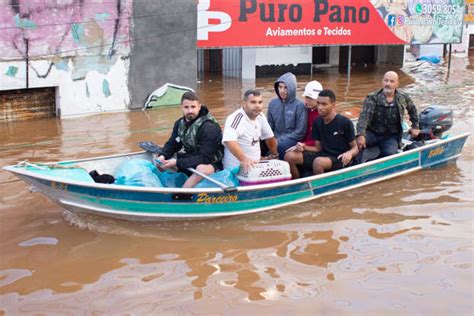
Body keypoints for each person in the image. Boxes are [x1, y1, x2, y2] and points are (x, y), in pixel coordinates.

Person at [284, 89, 358, 178]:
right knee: (289, 156)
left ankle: (319, 188)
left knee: (318, 162)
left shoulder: (345, 123)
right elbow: (317, 148)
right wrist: (303, 146)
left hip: (339, 158)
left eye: (324, 104)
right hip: (322, 154)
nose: (320, 107)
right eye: (318, 103)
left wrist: (349, 153)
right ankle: (297, 185)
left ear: (333, 105)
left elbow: (355, 148)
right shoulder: (317, 121)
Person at [157, 91, 224, 188]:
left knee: (201, 168)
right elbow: (173, 143)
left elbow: (204, 158)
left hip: (211, 163)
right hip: (191, 157)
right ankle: (168, 185)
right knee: (161, 162)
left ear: (199, 107)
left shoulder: (209, 128)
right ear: (181, 107)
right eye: (186, 107)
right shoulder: (179, 123)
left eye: (193, 107)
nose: (190, 111)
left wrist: (177, 162)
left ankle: (183, 194)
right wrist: (162, 156)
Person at [356, 71, 420, 159]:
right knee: (356, 144)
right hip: (372, 133)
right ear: (382, 82)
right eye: (386, 81)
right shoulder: (373, 97)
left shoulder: (403, 97)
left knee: (389, 155)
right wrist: (361, 135)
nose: (388, 84)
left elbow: (412, 110)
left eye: (392, 81)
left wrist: (415, 126)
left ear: (397, 84)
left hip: (391, 137)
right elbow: (364, 117)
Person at [222, 89, 278, 171]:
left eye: (260, 102)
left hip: (256, 167)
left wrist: (274, 154)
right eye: (253, 102)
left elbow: (269, 137)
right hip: (236, 169)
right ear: (244, 103)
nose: (257, 106)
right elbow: (229, 141)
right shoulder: (236, 118)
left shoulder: (261, 116)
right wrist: (244, 159)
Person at [267, 72, 307, 159]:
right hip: (276, 137)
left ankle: (281, 168)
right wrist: (270, 139)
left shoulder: (299, 106)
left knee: (281, 145)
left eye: (285, 88)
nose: (282, 91)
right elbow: (269, 127)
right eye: (280, 87)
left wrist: (279, 140)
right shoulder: (272, 104)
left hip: (292, 139)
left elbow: (300, 132)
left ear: (292, 88)